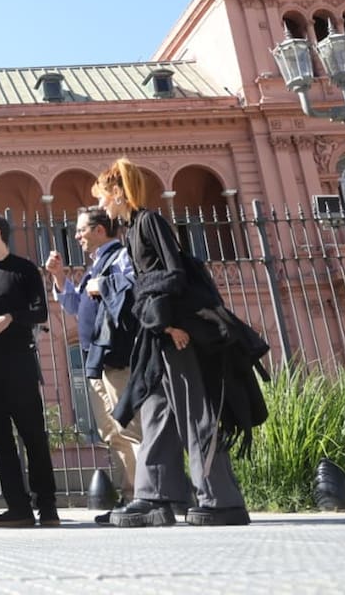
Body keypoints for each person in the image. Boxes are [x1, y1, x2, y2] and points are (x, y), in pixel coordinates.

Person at [97, 158, 257, 528]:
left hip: (174, 331)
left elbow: (173, 273)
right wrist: (157, 322)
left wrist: (168, 323)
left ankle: (221, 500)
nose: (103, 205)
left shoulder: (149, 221)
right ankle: (156, 496)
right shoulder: (132, 230)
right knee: (156, 410)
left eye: (105, 196)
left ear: (119, 192)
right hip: (159, 329)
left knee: (193, 411)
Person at [46, 207, 141, 522]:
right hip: (95, 358)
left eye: (80, 230)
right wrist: (59, 279)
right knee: (110, 431)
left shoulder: (120, 259)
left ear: (100, 230)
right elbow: (74, 305)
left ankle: (146, 495)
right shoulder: (95, 265)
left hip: (116, 354)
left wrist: (104, 286)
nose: (76, 236)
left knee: (128, 427)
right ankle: (130, 496)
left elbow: (133, 289)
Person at [0, 214, 60, 528]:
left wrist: (11, 317)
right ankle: (18, 508)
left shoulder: (25, 269)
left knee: (33, 435)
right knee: (1, 441)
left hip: (18, 362)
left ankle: (47, 506)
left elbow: (40, 311)